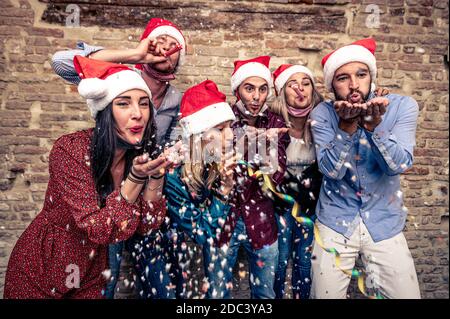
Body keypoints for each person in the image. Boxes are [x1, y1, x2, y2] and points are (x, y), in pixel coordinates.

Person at [4, 56, 168, 298]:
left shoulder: (140, 157)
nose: (138, 114)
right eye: (123, 104)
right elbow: (99, 227)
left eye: (144, 104)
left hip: (94, 271)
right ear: (105, 111)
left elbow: (147, 224)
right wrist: (134, 179)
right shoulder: (71, 150)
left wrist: (156, 176)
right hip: (43, 266)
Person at [51, 18, 187, 299]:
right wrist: (136, 55)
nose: (136, 113)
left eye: (173, 45)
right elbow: (62, 62)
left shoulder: (179, 100)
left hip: (146, 190)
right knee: (102, 276)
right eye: (124, 103)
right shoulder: (119, 75)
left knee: (156, 280)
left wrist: (161, 169)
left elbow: (181, 146)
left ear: (180, 56)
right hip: (109, 196)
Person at [309, 38, 421, 299]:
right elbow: (331, 171)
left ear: (371, 76)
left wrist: (372, 128)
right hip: (335, 222)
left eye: (361, 74)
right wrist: (346, 128)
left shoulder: (402, 106)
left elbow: (400, 165)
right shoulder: (322, 114)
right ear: (331, 84)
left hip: (384, 222)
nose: (353, 84)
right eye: (342, 78)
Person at [213, 56, 290, 299]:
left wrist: (259, 144)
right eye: (249, 88)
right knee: (217, 295)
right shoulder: (221, 121)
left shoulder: (276, 123)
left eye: (262, 89)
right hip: (224, 221)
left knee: (265, 295)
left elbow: (276, 177)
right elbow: (216, 172)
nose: (256, 97)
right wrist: (252, 139)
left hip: (262, 223)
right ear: (237, 90)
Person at [163, 79, 238, 299]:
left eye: (230, 128)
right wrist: (224, 190)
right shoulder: (174, 175)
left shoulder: (213, 162)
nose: (231, 136)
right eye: (221, 129)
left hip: (201, 251)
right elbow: (201, 232)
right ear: (199, 135)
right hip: (172, 256)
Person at [269, 64, 324, 299]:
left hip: (310, 208)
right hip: (280, 206)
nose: (300, 89)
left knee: (304, 263)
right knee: (280, 262)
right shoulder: (271, 122)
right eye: (292, 84)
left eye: (306, 83)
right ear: (283, 92)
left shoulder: (323, 121)